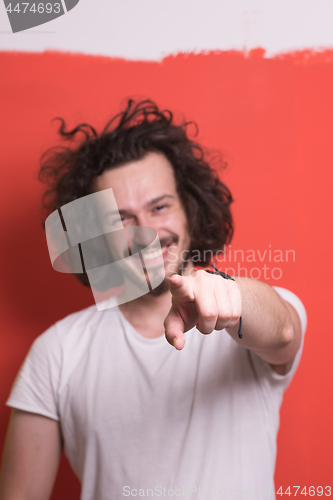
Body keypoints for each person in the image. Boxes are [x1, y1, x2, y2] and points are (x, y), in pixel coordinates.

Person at [0, 100, 306, 500]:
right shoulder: (56, 352)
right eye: (120, 219)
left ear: (189, 211)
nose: (145, 232)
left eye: (159, 207)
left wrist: (231, 297)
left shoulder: (252, 313)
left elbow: (282, 330)